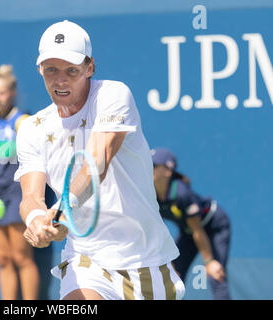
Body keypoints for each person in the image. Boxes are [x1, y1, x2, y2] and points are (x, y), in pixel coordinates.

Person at [13, 20, 185, 300]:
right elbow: (30, 196)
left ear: (89, 67)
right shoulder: (32, 128)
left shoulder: (113, 95)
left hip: (148, 259)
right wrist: (36, 220)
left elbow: (96, 163)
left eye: (71, 70)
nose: (60, 80)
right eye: (51, 70)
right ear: (39, 70)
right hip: (86, 261)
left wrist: (60, 212)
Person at [0, 64, 39, 300]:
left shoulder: (22, 120)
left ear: (12, 92)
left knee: (22, 258)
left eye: (2, 92)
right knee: (3, 259)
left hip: (17, 192)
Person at [151, 147, 231, 300]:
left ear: (168, 171)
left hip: (214, 227)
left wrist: (208, 261)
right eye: (148, 165)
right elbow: (157, 230)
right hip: (189, 232)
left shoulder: (181, 193)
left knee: (216, 274)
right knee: (171, 277)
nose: (150, 169)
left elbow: (198, 231)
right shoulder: (150, 194)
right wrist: (167, 260)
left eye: (154, 166)